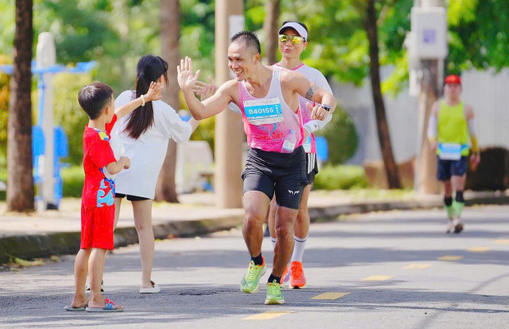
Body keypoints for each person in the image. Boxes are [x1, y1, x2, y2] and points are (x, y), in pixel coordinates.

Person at [177, 31, 335, 306]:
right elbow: (201, 112)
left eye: (239, 59)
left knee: (284, 227)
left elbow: (325, 96)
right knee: (251, 216)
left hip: (291, 160)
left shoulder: (286, 80)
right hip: (259, 159)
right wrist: (186, 90)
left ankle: (275, 281)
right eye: (230, 60)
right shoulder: (232, 89)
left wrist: (323, 107)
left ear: (256, 58)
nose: (233, 65)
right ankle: (256, 262)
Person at [66, 80, 162, 312]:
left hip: (89, 198)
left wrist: (143, 99)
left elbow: (119, 113)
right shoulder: (100, 141)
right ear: (105, 110)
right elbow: (111, 168)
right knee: (99, 247)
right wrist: (124, 161)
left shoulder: (93, 131)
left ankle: (79, 296)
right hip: (103, 200)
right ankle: (96, 298)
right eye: (112, 104)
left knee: (85, 247)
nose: (114, 109)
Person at [110, 55, 200, 294]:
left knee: (106, 227)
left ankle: (93, 280)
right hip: (142, 178)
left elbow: (112, 119)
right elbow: (183, 134)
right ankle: (145, 282)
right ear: (160, 79)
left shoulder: (124, 99)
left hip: (117, 170)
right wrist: (200, 111)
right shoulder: (163, 110)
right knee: (144, 229)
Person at [266, 21, 332, 290]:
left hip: (304, 150)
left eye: (296, 38)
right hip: (271, 150)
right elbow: (245, 101)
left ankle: (297, 264)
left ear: (304, 45)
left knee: (299, 211)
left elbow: (328, 106)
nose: (289, 42)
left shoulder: (313, 76)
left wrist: (315, 121)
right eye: (284, 37)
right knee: (273, 209)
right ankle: (278, 264)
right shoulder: (267, 73)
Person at [427, 74, 480, 234]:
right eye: (449, 86)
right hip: (443, 150)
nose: (452, 89)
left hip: (460, 150)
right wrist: (432, 140)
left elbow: (472, 132)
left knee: (458, 182)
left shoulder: (467, 108)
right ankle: (450, 218)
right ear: (445, 89)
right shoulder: (437, 107)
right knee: (447, 186)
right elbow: (432, 128)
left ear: (460, 89)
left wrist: (475, 151)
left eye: (455, 86)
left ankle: (458, 217)